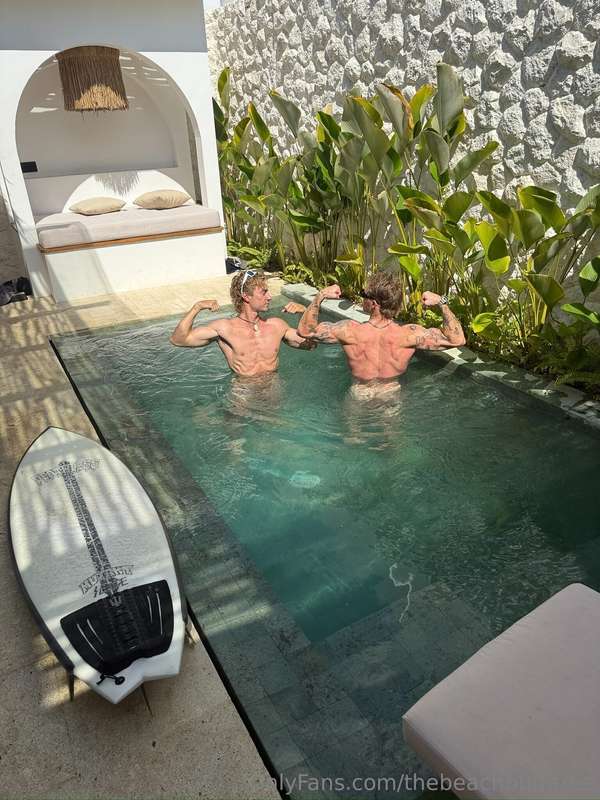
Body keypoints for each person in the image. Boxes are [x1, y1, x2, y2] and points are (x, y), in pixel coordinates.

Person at [297, 271, 466, 391]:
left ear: (374, 303)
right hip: (390, 395)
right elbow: (457, 340)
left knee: (353, 432)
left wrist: (320, 295)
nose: (362, 297)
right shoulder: (410, 335)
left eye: (364, 294)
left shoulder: (349, 330)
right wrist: (442, 302)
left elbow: (305, 331)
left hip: (360, 394)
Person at [169, 269, 311, 377]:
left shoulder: (277, 325)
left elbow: (311, 344)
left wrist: (304, 313)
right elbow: (179, 340)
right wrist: (197, 307)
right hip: (244, 392)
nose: (269, 297)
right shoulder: (225, 328)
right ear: (246, 296)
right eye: (264, 292)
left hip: (273, 389)